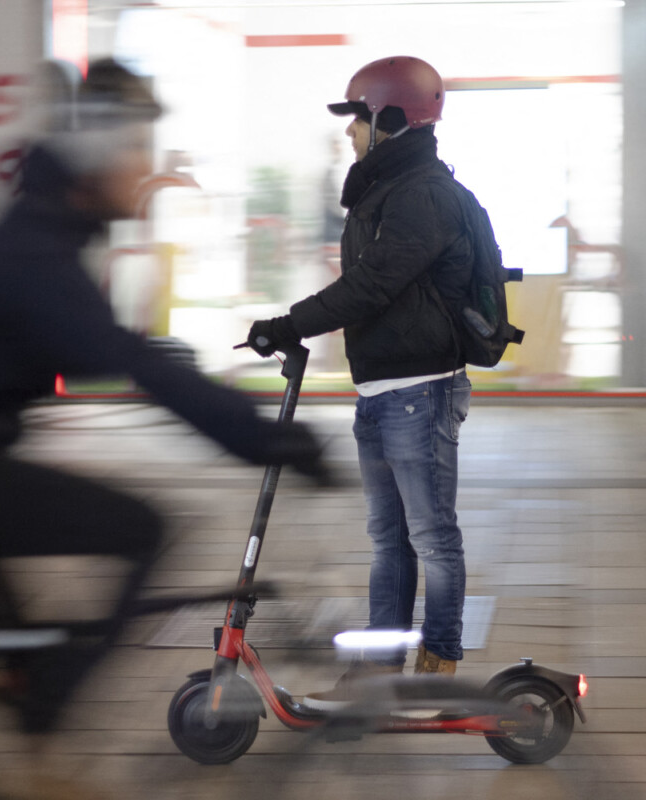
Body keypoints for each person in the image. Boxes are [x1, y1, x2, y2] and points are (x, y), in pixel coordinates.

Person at [0, 59, 322, 728]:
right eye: (135, 150)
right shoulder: (35, 253)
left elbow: (104, 350)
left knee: (19, 649)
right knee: (145, 528)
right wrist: (263, 437)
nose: (147, 170)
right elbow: (122, 357)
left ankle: (26, 723)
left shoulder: (41, 233)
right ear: (93, 157)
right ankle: (40, 704)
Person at [245, 55, 475, 708]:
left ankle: (441, 655)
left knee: (431, 535)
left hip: (419, 390)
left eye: (357, 118)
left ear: (391, 117)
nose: (349, 132)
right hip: (380, 391)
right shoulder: (385, 186)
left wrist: (291, 324)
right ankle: (382, 666)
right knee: (388, 540)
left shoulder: (421, 192)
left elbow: (374, 284)